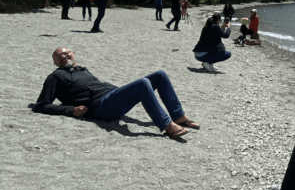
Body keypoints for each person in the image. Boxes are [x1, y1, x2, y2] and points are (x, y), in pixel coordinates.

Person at [33, 47, 198, 139]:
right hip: (101, 107)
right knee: (143, 83)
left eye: (66, 52)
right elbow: (41, 105)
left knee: (160, 75)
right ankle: (167, 126)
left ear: (74, 54)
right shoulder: (55, 76)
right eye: (58, 55)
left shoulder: (82, 70)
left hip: (113, 96)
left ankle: (179, 117)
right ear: (55, 62)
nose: (63, 55)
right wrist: (71, 110)